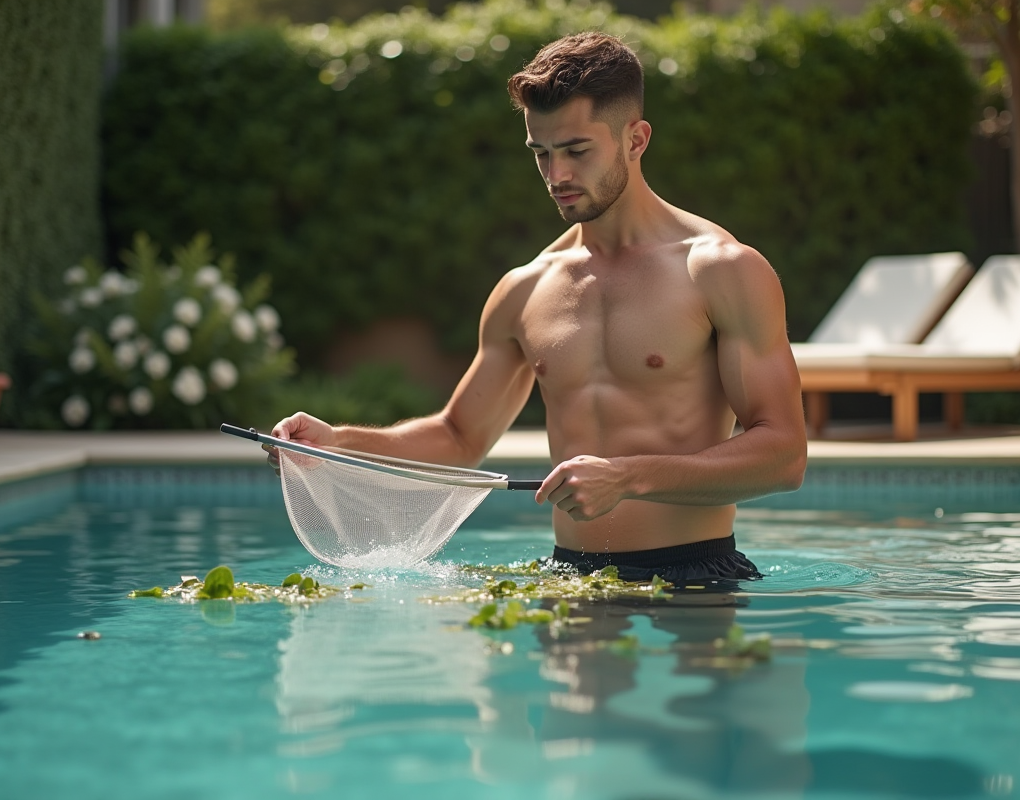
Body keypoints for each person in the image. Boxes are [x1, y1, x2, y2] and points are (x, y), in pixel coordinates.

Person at [269, 32, 807, 584]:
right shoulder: (525, 289)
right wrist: (337, 442)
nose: (557, 176)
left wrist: (628, 478)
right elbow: (459, 437)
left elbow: (784, 454)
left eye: (576, 151)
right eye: (541, 154)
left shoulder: (719, 270)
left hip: (698, 572)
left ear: (636, 140)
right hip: (570, 578)